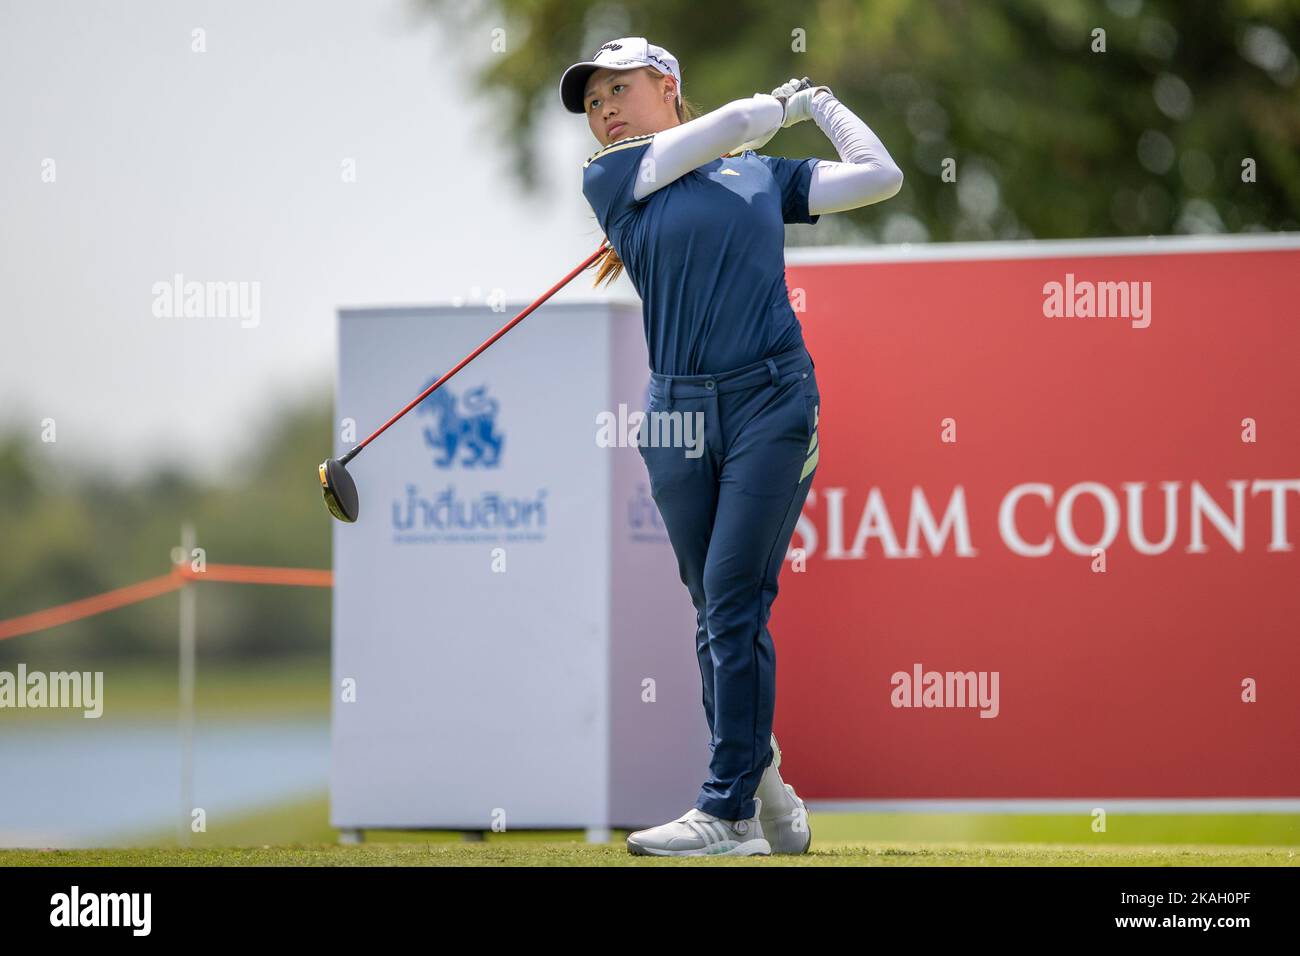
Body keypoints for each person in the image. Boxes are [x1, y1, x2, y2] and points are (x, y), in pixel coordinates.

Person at [560, 37, 903, 856]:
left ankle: (729, 811)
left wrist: (818, 104)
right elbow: (737, 122)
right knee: (717, 613)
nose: (603, 110)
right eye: (593, 102)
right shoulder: (611, 175)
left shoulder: (755, 172)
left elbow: (879, 175)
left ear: (666, 84)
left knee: (732, 597)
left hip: (772, 399)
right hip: (676, 415)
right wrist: (770, 112)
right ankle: (769, 786)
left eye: (618, 89)